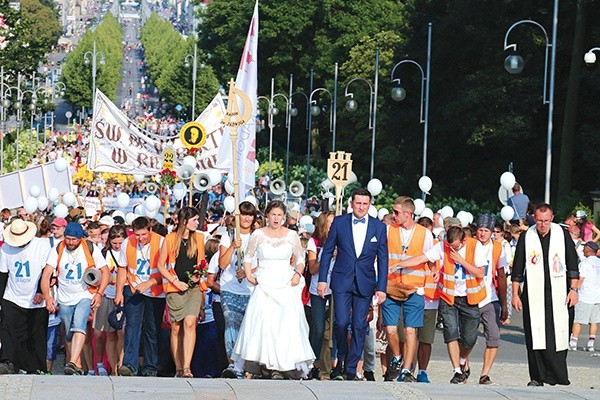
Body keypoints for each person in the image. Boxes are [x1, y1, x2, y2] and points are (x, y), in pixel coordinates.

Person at [232, 200, 314, 379]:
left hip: (285, 282)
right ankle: (263, 363)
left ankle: (282, 364)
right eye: (273, 214)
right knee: (263, 323)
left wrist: (297, 275)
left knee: (285, 323)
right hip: (264, 280)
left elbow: (300, 259)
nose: (276, 219)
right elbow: (248, 257)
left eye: (279, 215)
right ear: (267, 215)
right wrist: (248, 274)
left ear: (284, 217)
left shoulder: (291, 235)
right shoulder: (258, 234)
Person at [396, 224, 487, 384]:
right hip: (448, 296)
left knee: (469, 339)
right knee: (450, 333)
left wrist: (461, 260)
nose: (452, 250)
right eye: (450, 246)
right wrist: (399, 264)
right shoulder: (443, 246)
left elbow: (480, 272)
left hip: (469, 298)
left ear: (464, 240)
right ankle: (457, 371)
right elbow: (423, 258)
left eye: (456, 247)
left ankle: (463, 358)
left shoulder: (474, 245)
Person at [318, 188, 388, 381]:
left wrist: (381, 287)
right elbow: (327, 250)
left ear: (370, 205)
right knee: (340, 322)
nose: (361, 207)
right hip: (341, 279)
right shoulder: (340, 223)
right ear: (351, 203)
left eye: (365, 204)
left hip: (365, 282)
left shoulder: (378, 227)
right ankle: (341, 357)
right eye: (358, 203)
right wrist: (323, 279)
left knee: (359, 326)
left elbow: (383, 258)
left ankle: (350, 367)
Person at [512, 203, 579, 386]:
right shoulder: (527, 236)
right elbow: (518, 267)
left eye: (546, 221)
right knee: (535, 333)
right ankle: (537, 377)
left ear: (552, 218)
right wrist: (515, 295)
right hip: (533, 293)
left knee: (558, 333)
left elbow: (573, 263)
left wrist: (574, 290)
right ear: (534, 218)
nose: (542, 224)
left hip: (560, 292)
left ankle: (557, 375)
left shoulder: (561, 234)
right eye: (539, 221)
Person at [41, 222, 110, 375]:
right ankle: (77, 364)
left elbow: (106, 272)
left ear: (81, 238)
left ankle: (71, 362)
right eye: (68, 239)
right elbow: (46, 275)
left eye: (74, 239)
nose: (71, 242)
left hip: (85, 294)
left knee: (79, 324)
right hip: (64, 297)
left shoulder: (90, 248)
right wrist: (47, 296)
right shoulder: (58, 248)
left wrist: (99, 293)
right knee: (68, 333)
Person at [383, 196, 433, 382]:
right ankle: (396, 355)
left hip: (414, 287)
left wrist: (434, 271)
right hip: (391, 286)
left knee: (411, 331)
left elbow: (430, 257)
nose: (393, 215)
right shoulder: (389, 230)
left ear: (408, 214)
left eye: (396, 212)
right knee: (390, 329)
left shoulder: (424, 233)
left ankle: (406, 370)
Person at [157, 207, 206, 378]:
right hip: (175, 288)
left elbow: (202, 262)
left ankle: (187, 367)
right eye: (194, 220)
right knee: (176, 327)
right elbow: (161, 266)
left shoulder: (199, 237)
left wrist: (198, 276)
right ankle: (178, 367)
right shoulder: (170, 239)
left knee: (190, 323)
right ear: (185, 221)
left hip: (193, 288)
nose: (197, 223)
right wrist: (174, 281)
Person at [0, 219, 53, 374]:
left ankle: (36, 368)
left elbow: (46, 271)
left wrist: (40, 291)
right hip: (13, 296)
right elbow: (3, 275)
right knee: (8, 330)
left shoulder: (41, 245)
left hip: (35, 297)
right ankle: (7, 361)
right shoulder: (5, 249)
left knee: (36, 335)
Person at [115, 216, 166, 377]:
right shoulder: (127, 242)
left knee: (152, 329)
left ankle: (150, 366)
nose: (140, 238)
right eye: (137, 235)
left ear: (150, 230)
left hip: (155, 291)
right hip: (133, 287)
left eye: (144, 234)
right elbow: (122, 268)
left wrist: (150, 282)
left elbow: (167, 271)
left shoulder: (161, 242)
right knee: (132, 326)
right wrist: (118, 292)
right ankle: (129, 365)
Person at [217, 201, 257, 379]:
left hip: (250, 289)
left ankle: (248, 366)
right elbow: (222, 264)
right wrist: (233, 245)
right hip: (230, 288)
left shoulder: (258, 237)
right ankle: (232, 364)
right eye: (243, 214)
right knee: (231, 324)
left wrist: (248, 272)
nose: (247, 218)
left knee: (248, 328)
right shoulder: (228, 236)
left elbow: (264, 263)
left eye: (250, 215)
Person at [471, 214, 508, 385]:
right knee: (467, 338)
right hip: (470, 296)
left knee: (493, 337)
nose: (483, 234)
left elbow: (501, 276)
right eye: (480, 230)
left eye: (486, 230)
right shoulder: (469, 245)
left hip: (490, 297)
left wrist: (504, 303)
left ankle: (485, 374)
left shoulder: (498, 248)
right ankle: (463, 363)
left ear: (493, 232)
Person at [95, 225, 128, 375]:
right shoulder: (104, 253)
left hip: (123, 295)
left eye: (120, 243)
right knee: (109, 333)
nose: (117, 246)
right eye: (115, 243)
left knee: (121, 332)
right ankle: (113, 368)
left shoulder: (128, 252)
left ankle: (121, 364)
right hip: (108, 295)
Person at [306, 211, 335, 380]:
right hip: (318, 290)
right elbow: (312, 269)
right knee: (317, 328)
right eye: (330, 223)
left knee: (330, 331)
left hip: (335, 289)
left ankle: (326, 367)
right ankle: (313, 362)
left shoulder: (340, 241)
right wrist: (326, 253)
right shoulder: (314, 243)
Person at [569, 241, 600, 352]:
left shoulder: (585, 263)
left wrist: (574, 291)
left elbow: (580, 279)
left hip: (585, 295)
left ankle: (574, 342)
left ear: (588, 249)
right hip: (597, 297)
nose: (582, 250)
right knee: (594, 321)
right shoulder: (599, 262)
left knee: (578, 320)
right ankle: (590, 344)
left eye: (584, 248)